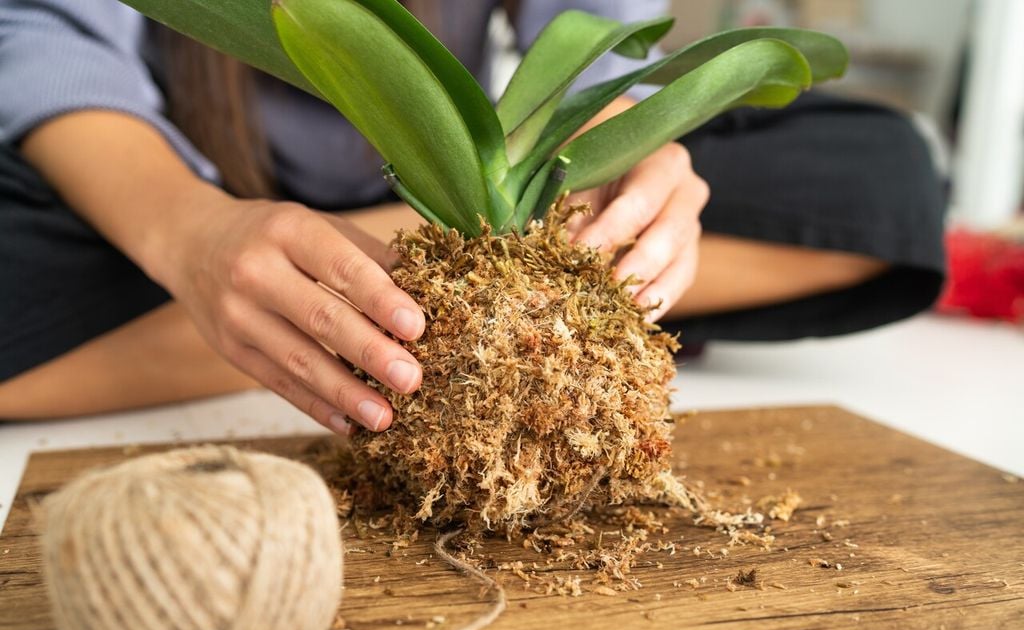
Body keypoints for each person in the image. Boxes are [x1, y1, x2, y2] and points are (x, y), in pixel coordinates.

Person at [0, 0, 945, 433]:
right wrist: (191, 236)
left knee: (882, 170)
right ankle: (475, 301)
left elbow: (591, 32)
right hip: (178, 193)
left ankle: (410, 292)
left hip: (474, 194)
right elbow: (46, 38)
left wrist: (623, 145)